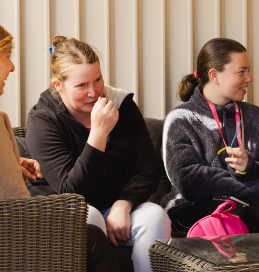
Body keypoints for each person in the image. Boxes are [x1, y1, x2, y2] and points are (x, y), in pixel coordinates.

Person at [0, 14, 118, 271]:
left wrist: (10, 164)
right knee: (91, 238)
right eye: (7, 56)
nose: (12, 67)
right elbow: (20, 212)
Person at [26, 36, 171, 272]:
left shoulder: (121, 105)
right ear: (58, 85)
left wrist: (124, 204)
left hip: (117, 207)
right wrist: (99, 135)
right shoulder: (43, 119)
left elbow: (148, 168)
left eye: (98, 80)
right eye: (82, 85)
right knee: (89, 217)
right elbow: (71, 191)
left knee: (155, 216)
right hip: (66, 212)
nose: (94, 92)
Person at [161, 38, 259, 234]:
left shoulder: (256, 116)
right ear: (214, 76)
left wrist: (250, 168)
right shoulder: (180, 120)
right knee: (233, 218)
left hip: (246, 200)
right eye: (241, 72)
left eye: (248, 71)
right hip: (194, 205)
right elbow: (189, 182)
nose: (249, 78)